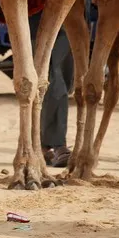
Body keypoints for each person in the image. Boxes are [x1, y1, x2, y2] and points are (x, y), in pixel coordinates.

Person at [30, 11, 73, 168]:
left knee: (66, 81)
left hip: (74, 18)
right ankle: (54, 144)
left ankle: (42, 142)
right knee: (53, 79)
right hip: (42, 16)